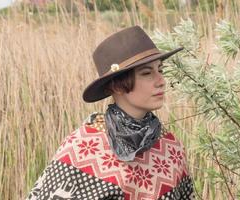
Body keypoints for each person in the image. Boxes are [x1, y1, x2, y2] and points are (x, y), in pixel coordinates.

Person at [26, 26, 194, 200]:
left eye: (161, 70)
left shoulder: (170, 148)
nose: (161, 81)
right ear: (117, 85)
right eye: (146, 73)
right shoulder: (83, 148)